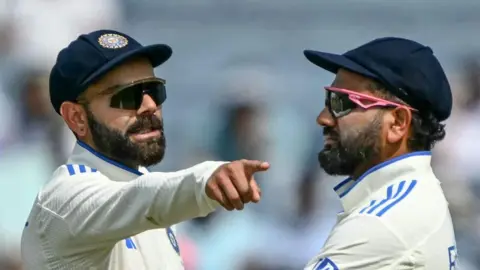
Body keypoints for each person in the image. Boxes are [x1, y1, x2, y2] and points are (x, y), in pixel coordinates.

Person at [20, 29, 269, 270]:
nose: (149, 105)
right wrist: (206, 179)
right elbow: (140, 198)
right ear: (76, 117)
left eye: (154, 90)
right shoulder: (64, 198)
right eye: (128, 96)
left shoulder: (148, 194)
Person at [302, 37, 458, 269]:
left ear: (397, 122)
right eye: (328, 99)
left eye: (341, 102)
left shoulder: (380, 224)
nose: (323, 118)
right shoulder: (419, 194)